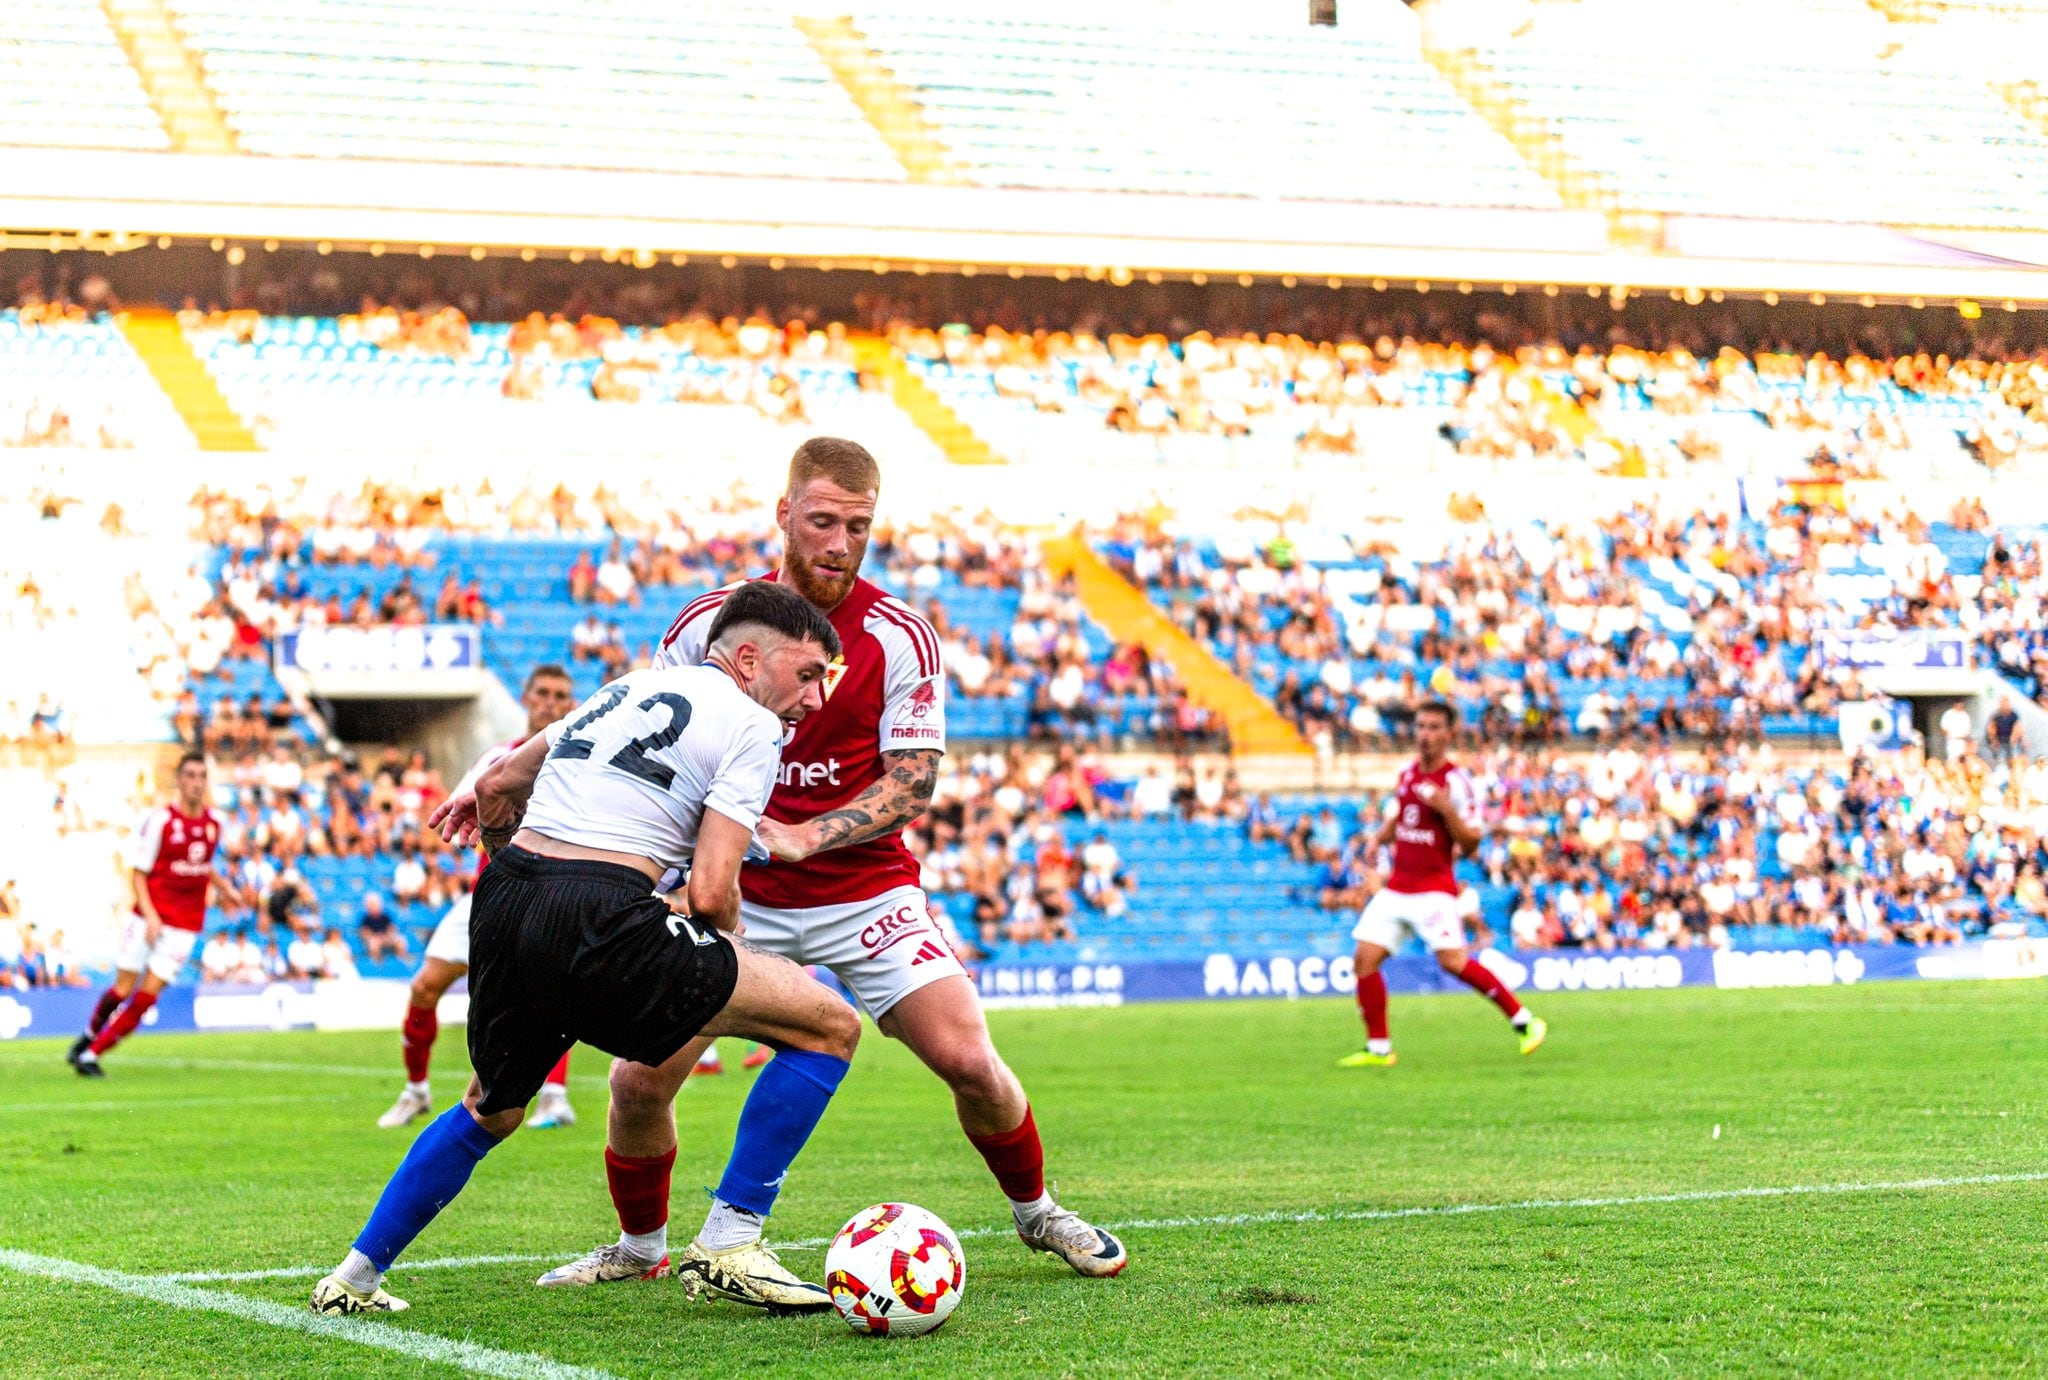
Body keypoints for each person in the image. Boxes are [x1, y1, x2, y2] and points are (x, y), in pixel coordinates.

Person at [442, 438, 1127, 1292]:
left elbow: (913, 780)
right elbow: (641, 736)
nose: (841, 543)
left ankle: (1037, 1213)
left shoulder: (899, 634)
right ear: (785, 515)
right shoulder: (704, 627)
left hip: (862, 886)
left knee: (967, 1058)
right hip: (732, 888)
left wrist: (808, 835)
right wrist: (510, 781)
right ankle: (643, 1249)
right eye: (823, 521)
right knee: (637, 1082)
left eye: (859, 526)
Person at [311, 582, 856, 1316]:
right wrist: (737, 953)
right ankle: (731, 1242)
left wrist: (498, 832)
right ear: (751, 658)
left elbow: (498, 780)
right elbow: (711, 888)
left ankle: (353, 1279)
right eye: (811, 673)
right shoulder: (754, 726)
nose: (816, 699)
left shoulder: (626, 686)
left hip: (505, 899)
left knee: (490, 1108)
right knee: (827, 1024)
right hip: (600, 906)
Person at [376, 666, 579, 1131]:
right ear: (526, 698)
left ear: (571, 705)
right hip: (487, 895)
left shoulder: (576, 763)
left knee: (549, 999)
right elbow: (458, 813)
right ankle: (415, 1091)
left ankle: (555, 1096)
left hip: (545, 899)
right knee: (425, 986)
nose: (550, 703)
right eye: (542, 693)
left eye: (560, 696)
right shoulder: (498, 757)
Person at [1340, 701, 1546, 1068]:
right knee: (1364, 960)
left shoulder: (1456, 783)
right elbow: (1401, 815)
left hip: (1432, 889)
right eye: (1421, 726)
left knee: (1453, 962)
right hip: (1397, 886)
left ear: (1449, 734)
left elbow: (1471, 843)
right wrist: (1378, 839)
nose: (1425, 734)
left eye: (1434, 727)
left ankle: (1525, 1021)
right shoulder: (1407, 775)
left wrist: (1446, 809)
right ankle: (1378, 1048)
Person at [69, 752, 222, 1076]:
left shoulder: (213, 824)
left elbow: (203, 865)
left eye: (201, 776)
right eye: (190, 776)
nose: (196, 783)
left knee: (146, 995)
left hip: (185, 926)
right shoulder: (160, 822)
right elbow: (138, 873)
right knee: (122, 989)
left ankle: (92, 1055)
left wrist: (228, 888)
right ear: (179, 780)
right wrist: (152, 916)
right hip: (148, 917)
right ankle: (88, 1035)